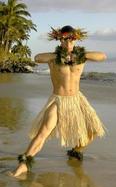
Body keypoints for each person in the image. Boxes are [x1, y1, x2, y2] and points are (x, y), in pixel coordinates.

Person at [9, 25, 107, 177]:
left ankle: (76, 150)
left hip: (77, 100)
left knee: (92, 131)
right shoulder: (53, 58)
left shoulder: (82, 57)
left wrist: (78, 54)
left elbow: (102, 56)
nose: (68, 44)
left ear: (75, 40)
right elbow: (37, 58)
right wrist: (58, 56)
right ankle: (23, 165)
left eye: (71, 40)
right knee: (43, 132)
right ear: (60, 40)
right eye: (64, 40)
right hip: (59, 100)